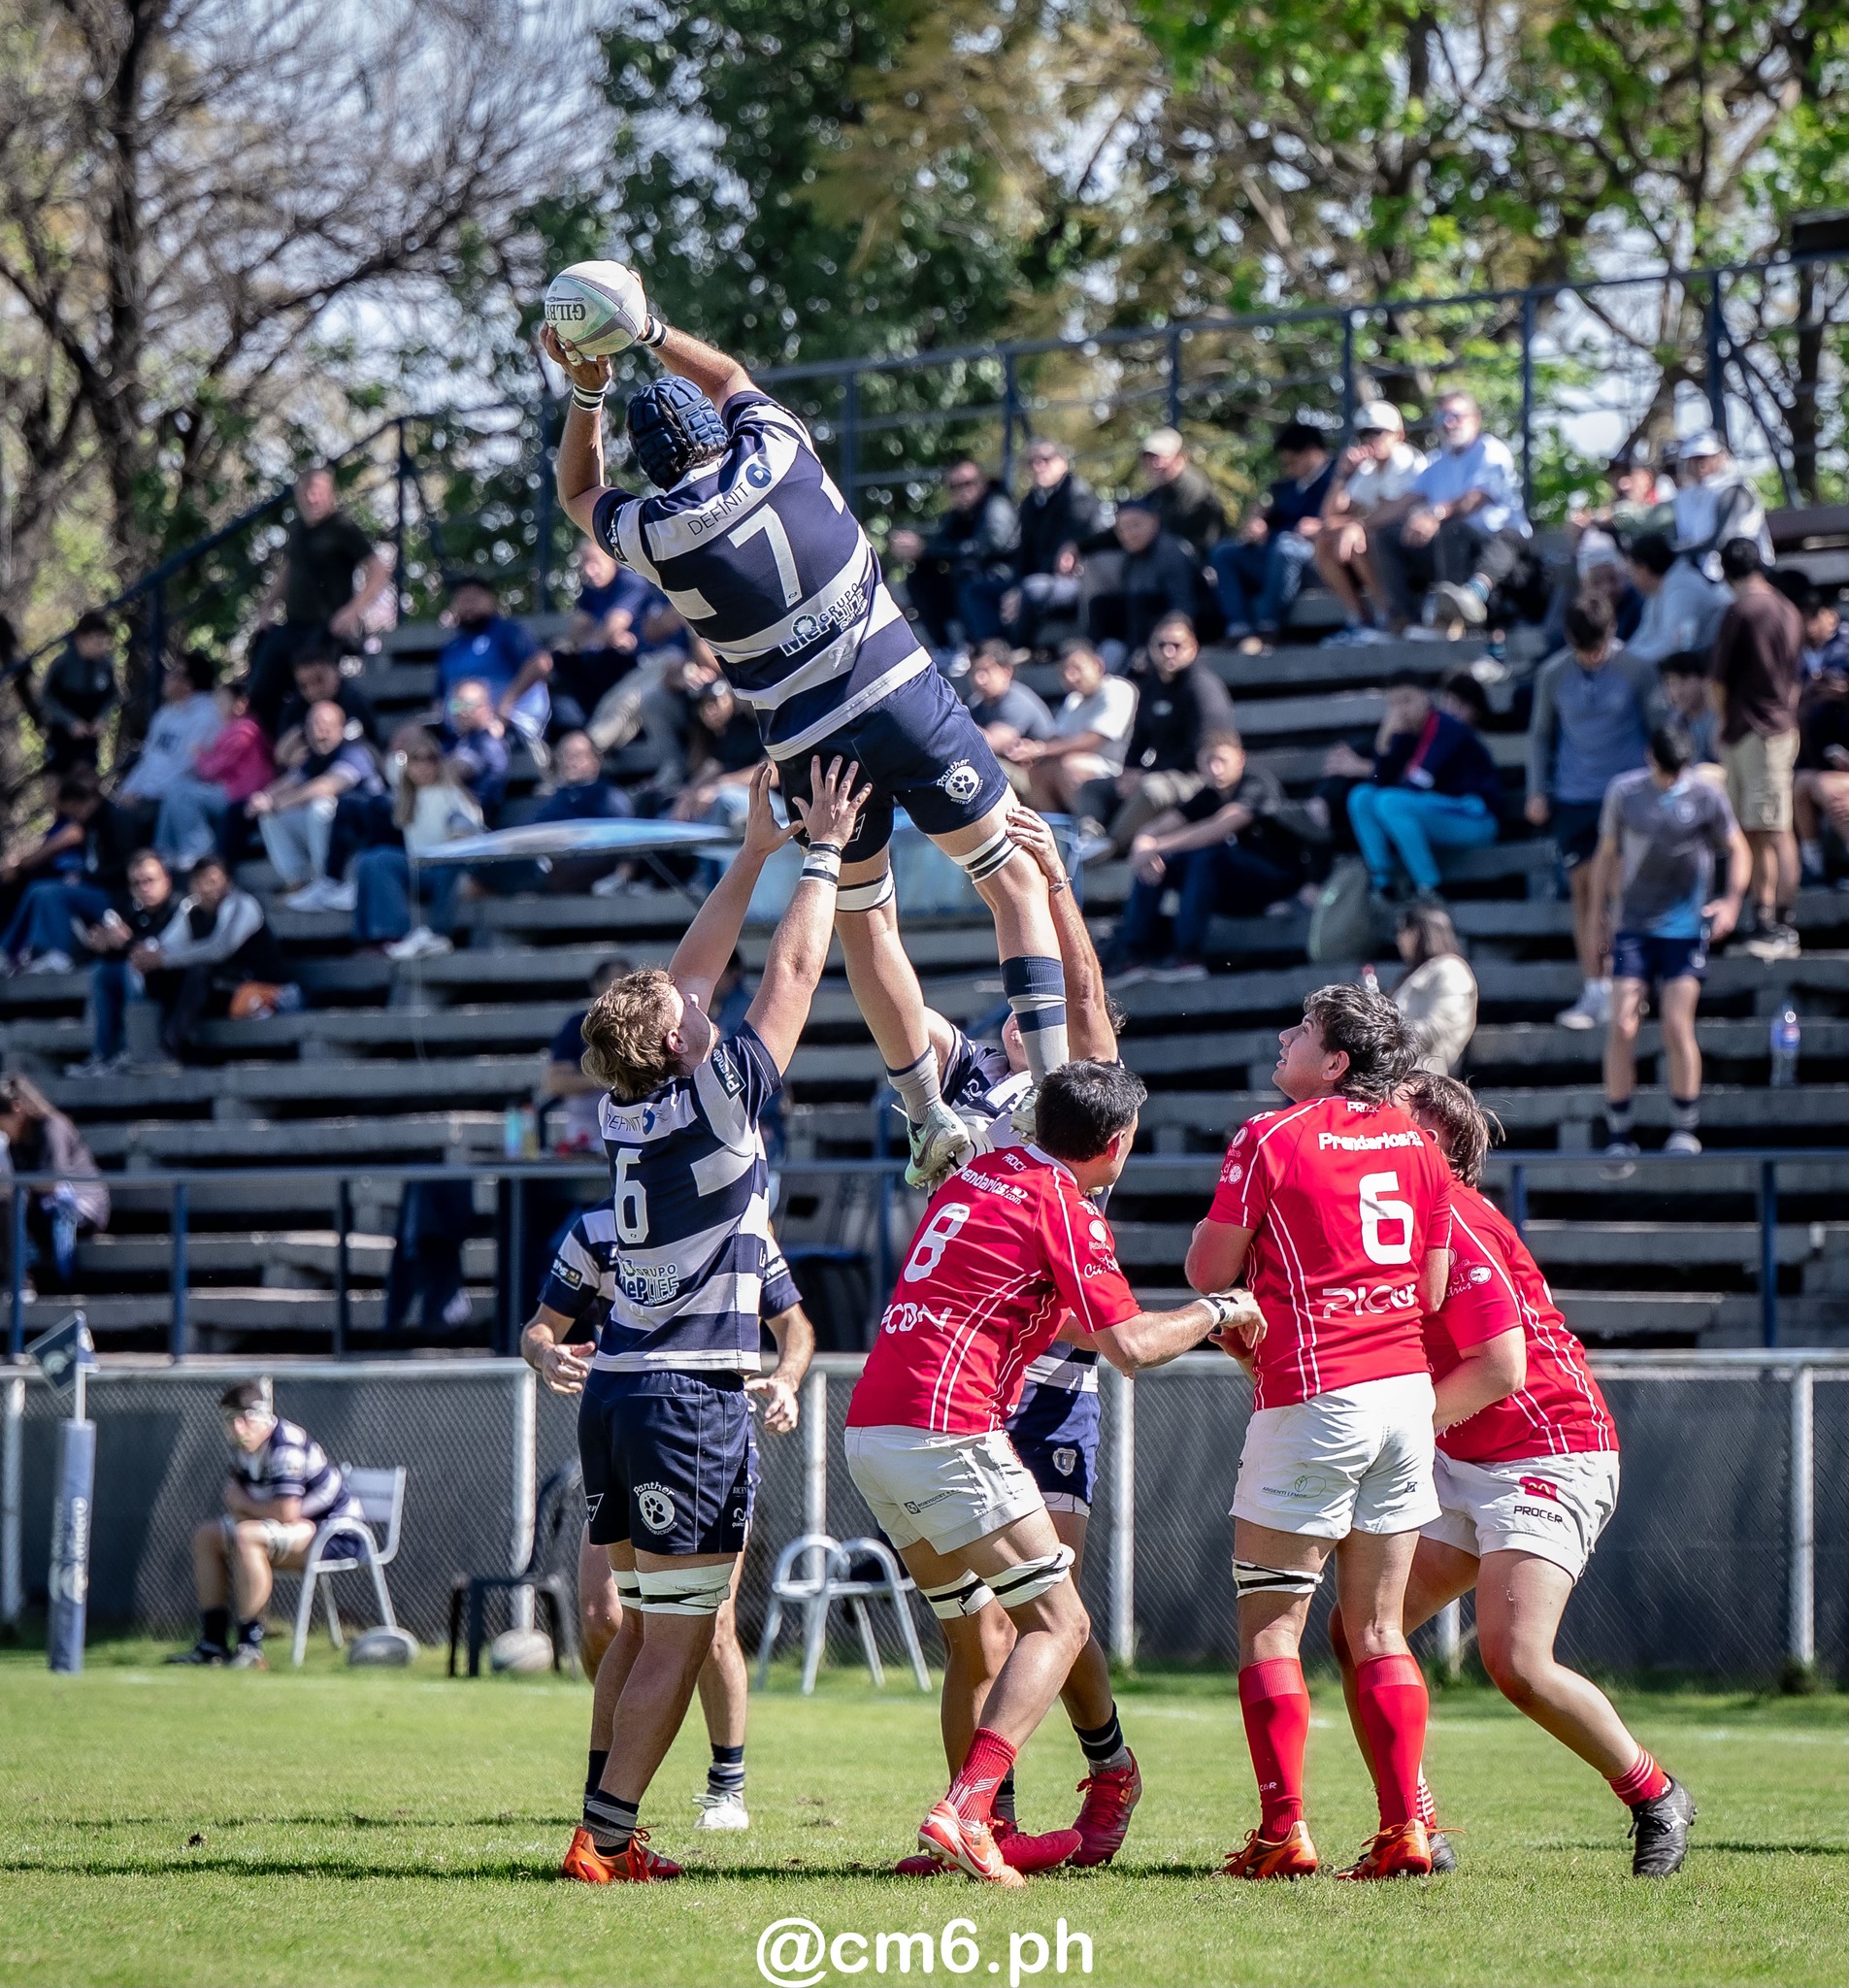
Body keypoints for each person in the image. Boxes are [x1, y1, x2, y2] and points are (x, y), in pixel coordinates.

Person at [545, 286, 1073, 1192]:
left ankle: (925, 1113)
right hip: (900, 695)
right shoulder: (779, 450)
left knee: (868, 923)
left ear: (655, 467)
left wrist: (587, 388)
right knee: (1012, 877)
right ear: (714, 431)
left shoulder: (657, 532)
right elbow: (732, 376)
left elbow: (578, 491)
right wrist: (650, 329)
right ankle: (1056, 1087)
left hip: (809, 745)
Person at [553, 755, 866, 1882]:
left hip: (620, 1391)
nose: (702, 998)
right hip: (687, 1398)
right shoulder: (720, 1098)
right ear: (682, 1041)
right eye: (690, 1010)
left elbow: (691, 974)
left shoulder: (627, 1105)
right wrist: (820, 852)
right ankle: (608, 1838)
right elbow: (793, 969)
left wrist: (749, 852)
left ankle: (600, 1825)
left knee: (643, 1626)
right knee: (679, 1638)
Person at [847, 1057, 1258, 1883]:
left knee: (975, 1633)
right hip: (946, 1428)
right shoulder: (1062, 1207)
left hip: (871, 1430)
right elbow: (1130, 1349)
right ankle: (966, 1812)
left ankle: (982, 1831)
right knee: (1060, 1625)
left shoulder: (988, 1170)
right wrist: (1219, 1308)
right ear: (1118, 1143)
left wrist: (1174, 1325)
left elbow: (1060, 1316)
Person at [1328, 1073, 1697, 1877]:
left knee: (1516, 1662)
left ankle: (1656, 1795)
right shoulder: (1392, 1217)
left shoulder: (1452, 1213)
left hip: (1548, 1448)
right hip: (1461, 1450)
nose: (1369, 1131)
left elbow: (1500, 1367)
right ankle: (1412, 1828)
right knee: (1359, 1630)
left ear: (1435, 1146)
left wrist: (1390, 1436)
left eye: (1392, 1120)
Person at [876, 811, 1145, 1874]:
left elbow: (1085, 996)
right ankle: (981, 1818)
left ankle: (1103, 1767)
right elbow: (891, 993)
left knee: (1050, 1611)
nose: (1051, 1023)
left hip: (1052, 1386)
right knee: (976, 1631)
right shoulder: (965, 1077)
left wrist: (1051, 882)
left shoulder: (1083, 1098)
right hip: (957, 1384)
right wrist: (864, 880)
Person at [1185, 984, 1451, 1882]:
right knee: (1377, 1629)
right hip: (1404, 1396)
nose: (1282, 1036)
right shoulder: (1419, 1145)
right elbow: (1429, 1291)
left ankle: (1281, 1832)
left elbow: (1207, 1271)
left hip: (1313, 1394)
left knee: (1272, 1628)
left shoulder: (1269, 1136)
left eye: (1300, 1030)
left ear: (1334, 1062)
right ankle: (1404, 1829)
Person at [523, 1223, 814, 1834]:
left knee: (710, 1623)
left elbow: (795, 1326)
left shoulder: (736, 1225)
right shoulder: (597, 1231)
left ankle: (724, 1786)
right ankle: (607, 1808)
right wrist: (547, 1353)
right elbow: (539, 1328)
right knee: (611, 1619)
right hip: (630, 1417)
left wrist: (787, 1380)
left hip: (698, 1425)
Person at [1591, 726, 1748, 1160]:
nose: (1672, 779)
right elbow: (1606, 854)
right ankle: (1619, 1129)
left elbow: (1738, 847)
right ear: (1650, 758)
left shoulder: (1706, 794)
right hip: (1633, 925)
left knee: (1678, 1024)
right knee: (1622, 1025)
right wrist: (1598, 916)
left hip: (1684, 927)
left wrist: (1732, 901)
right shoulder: (1625, 792)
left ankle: (1684, 1124)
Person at [1526, 596, 1664, 1032]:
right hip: (1575, 799)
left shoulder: (1638, 670)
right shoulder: (1553, 674)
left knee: (1623, 893)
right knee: (1585, 894)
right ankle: (1594, 989)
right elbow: (1540, 735)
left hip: (1628, 796)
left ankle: (1628, 987)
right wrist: (1537, 789)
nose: (1593, 656)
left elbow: (1661, 731)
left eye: (1599, 646)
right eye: (1584, 648)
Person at [166, 1377, 367, 1669]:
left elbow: (285, 1511)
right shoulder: (244, 1447)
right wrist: (242, 1507)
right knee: (207, 1537)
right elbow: (244, 1507)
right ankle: (212, 1644)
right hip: (298, 1528)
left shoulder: (285, 1446)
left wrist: (242, 1503)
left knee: (247, 1537)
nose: (238, 1428)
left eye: (245, 1419)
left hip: (336, 1534)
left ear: (262, 1418)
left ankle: (250, 1647)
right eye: (230, 1420)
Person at [1110, 730, 1313, 984]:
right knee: (1157, 864)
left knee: (1205, 854)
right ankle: (1133, 951)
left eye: (1222, 760)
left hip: (1275, 881)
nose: (1215, 769)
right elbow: (1157, 828)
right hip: (1231, 886)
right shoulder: (1207, 796)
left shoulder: (1256, 784)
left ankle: (1187, 954)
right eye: (1208, 761)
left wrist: (1157, 845)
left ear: (1240, 759)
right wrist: (1144, 846)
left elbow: (1220, 827)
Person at [1368, 392, 1532, 634]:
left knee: (1452, 528)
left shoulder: (1491, 451)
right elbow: (1402, 504)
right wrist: (1358, 525)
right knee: (1388, 536)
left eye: (1455, 416)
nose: (1448, 423)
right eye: (1442, 417)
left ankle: (1450, 620)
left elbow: (1474, 500)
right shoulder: (1435, 462)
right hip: (1451, 549)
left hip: (1495, 544)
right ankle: (1405, 621)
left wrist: (1435, 514)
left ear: (1475, 419)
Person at [1710, 538, 1804, 962]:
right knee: (1762, 828)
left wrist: (1720, 720)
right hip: (1780, 727)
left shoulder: (1741, 610)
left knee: (1770, 830)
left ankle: (1778, 924)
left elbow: (1717, 682)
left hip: (1753, 731)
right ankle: (1765, 920)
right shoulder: (1788, 609)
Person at [248, 467, 389, 733]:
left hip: (327, 628)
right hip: (293, 624)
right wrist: (266, 607)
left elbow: (379, 570)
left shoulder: (343, 527)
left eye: (318, 492)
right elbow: (286, 570)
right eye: (306, 492)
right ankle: (271, 747)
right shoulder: (297, 527)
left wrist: (352, 612)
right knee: (260, 687)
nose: (312, 498)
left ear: (330, 493)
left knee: (313, 688)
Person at [1340, 674, 1502, 902]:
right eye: (1394, 704)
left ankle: (1430, 889)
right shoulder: (1405, 735)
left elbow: (1418, 782)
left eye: (1407, 700)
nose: (1401, 710)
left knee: (1390, 802)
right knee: (1361, 797)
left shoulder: (1445, 726)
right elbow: (1378, 781)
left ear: (1425, 697)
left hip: (1474, 818)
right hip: (1433, 814)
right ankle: (1383, 886)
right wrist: (1383, 742)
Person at [133, 855, 295, 1061]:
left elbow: (219, 949)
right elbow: (165, 945)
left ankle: (170, 1046)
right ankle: (172, 1050)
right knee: (158, 976)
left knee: (198, 971)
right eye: (200, 881)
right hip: (225, 989)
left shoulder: (243, 904)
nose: (207, 888)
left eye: (213, 881)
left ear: (227, 882)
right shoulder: (191, 910)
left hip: (265, 988)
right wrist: (145, 954)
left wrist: (163, 959)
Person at [1106, 614, 1237, 850]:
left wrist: (1146, 775)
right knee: (1093, 787)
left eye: (1176, 645)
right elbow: (1139, 738)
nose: (1168, 652)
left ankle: (1109, 846)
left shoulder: (1202, 687)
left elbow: (1204, 749)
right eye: (1161, 645)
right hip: (1158, 772)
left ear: (1193, 647)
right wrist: (1129, 771)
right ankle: (1088, 836)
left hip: (1194, 777)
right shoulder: (1151, 685)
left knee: (1152, 790)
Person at [350, 727, 482, 959]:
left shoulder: (452, 794)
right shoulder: (406, 796)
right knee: (372, 860)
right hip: (419, 867)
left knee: (441, 865)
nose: (423, 766)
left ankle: (408, 935)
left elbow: (466, 827)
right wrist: (363, 738)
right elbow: (388, 762)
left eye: (430, 759)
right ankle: (377, 938)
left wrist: (457, 834)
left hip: (446, 870)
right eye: (416, 760)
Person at [1209, 422, 1335, 650]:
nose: (1287, 469)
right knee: (1224, 553)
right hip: (1278, 556)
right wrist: (1257, 526)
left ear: (1311, 452)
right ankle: (1239, 628)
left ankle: (1268, 626)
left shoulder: (1339, 477)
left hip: (1319, 560)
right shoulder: (1286, 486)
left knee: (1287, 547)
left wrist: (1325, 526)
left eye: (1291, 462)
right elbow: (1274, 522)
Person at [247, 700, 383, 909]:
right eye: (314, 725)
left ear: (341, 727)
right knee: (270, 814)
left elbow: (326, 786)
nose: (320, 732)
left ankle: (327, 881)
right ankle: (299, 881)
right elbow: (290, 781)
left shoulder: (355, 751)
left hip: (367, 838)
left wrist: (277, 803)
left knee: (320, 806)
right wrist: (263, 799)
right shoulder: (315, 757)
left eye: (326, 725)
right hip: (339, 837)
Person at [1314, 403, 1427, 644]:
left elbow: (1394, 512)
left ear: (1399, 435)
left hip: (1414, 545)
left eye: (1378, 432)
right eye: (1365, 434)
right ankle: (1360, 619)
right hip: (1385, 541)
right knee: (1324, 541)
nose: (1371, 440)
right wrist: (1343, 474)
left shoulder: (1407, 461)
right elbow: (1329, 516)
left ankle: (1390, 615)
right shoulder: (1368, 469)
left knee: (1359, 538)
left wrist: (1355, 526)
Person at [888, 459, 1022, 655]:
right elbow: (939, 547)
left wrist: (926, 549)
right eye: (954, 486)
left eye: (968, 483)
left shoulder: (997, 506)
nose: (962, 491)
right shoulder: (956, 516)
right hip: (972, 579)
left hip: (1004, 577)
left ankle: (987, 650)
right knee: (920, 578)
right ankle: (945, 648)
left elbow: (989, 547)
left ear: (983, 483)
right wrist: (915, 550)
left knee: (970, 580)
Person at [67, 848, 176, 1075]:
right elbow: (124, 946)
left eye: (149, 880)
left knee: (130, 969)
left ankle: (133, 1049)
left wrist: (126, 942)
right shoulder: (134, 912)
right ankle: (103, 1054)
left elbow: (162, 947)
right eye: (136, 883)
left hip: (175, 986)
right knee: (102, 971)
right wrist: (103, 944)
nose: (144, 888)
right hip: (146, 980)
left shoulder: (180, 908)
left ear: (166, 880)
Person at [0, 1076, 109, 1297]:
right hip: (43, 1208)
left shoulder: (52, 1126)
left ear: (17, 1109)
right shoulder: (16, 1143)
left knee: (8, 1201)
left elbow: (52, 1181)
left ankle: (20, 1283)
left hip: (79, 1206)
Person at [1006, 643, 1136, 825]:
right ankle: (1055, 831)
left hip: (1116, 771)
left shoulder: (1117, 689)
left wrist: (1040, 749)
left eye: (1076, 669)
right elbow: (1058, 738)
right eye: (1063, 672)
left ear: (1097, 665)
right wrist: (1030, 751)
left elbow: (1093, 740)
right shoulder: (1074, 699)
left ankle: (1090, 826)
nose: (1070, 676)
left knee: (1071, 766)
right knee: (1038, 771)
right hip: (1081, 764)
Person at [153, 677, 275, 870]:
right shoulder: (231, 729)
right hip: (228, 789)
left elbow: (214, 769)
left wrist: (199, 754)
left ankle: (199, 852)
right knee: (175, 789)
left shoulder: (245, 731)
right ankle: (163, 851)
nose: (218, 707)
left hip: (241, 794)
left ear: (240, 704)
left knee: (183, 794)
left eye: (223, 702)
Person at [435, 576, 552, 746]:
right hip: (457, 731)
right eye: (462, 600)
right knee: (411, 734)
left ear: (490, 600)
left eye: (473, 599)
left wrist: (506, 703)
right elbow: (440, 699)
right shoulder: (451, 647)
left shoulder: (508, 632)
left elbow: (542, 663)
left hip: (506, 727)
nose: (468, 605)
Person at [115, 652, 224, 835]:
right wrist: (127, 791)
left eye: (174, 673)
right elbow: (147, 760)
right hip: (144, 796)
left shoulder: (209, 717)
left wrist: (144, 794)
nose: (166, 677)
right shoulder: (164, 715)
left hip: (171, 799)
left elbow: (190, 768)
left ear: (188, 684)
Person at [1006, 441, 1103, 646]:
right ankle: (984, 649)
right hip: (1041, 576)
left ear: (1063, 462)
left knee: (1031, 589)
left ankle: (1017, 649)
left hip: (1077, 579)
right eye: (1031, 462)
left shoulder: (1077, 496)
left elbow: (1065, 557)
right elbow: (1024, 552)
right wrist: (1015, 586)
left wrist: (1022, 588)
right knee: (977, 589)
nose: (1038, 466)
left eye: (1046, 459)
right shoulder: (1031, 502)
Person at [1083, 503, 1203, 667]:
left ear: (1154, 521)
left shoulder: (1170, 553)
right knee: (1101, 605)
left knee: (1142, 605)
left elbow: (1183, 607)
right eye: (1123, 529)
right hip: (1140, 627)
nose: (1130, 533)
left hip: (1183, 624)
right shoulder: (1132, 558)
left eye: (1136, 525)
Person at [1390, 902, 1477, 1076]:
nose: (1398, 939)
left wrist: (1387, 1035)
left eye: (1403, 931)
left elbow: (1440, 1027)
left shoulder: (1450, 969)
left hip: (1426, 1069)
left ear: (1418, 933)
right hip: (1402, 1062)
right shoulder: (1420, 971)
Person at [1624, 531, 1732, 665]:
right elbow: (1645, 635)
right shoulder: (1659, 590)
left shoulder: (1682, 589)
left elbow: (1677, 645)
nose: (1631, 579)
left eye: (1632, 571)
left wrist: (1630, 663)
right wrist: (1622, 658)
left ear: (1644, 569)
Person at [35, 612, 118, 772]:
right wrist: (69, 721)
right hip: (62, 732)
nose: (101, 647)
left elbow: (112, 695)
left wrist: (102, 717)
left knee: (87, 775)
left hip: (90, 732)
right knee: (59, 776)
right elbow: (47, 697)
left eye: (104, 641)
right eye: (96, 641)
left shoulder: (106, 665)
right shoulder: (62, 664)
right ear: (81, 639)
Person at [271, 649, 382, 763]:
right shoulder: (295, 710)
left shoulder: (353, 702)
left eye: (319, 680)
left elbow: (367, 745)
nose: (312, 691)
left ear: (335, 671)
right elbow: (281, 754)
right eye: (304, 686)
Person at [967, 642, 1054, 781]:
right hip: (1014, 774)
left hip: (1038, 777)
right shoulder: (977, 704)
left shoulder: (1017, 701)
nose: (979, 679)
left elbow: (993, 743)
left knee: (979, 767)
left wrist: (955, 719)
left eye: (986, 671)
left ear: (1006, 672)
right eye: (974, 672)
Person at [1136, 427, 1225, 560]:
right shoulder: (1159, 491)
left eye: (1160, 457)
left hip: (1197, 559)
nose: (1154, 464)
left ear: (1180, 457)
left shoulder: (1193, 487)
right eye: (1149, 457)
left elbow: (1179, 532)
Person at [440, 679, 513, 817]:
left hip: (475, 819)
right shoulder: (454, 742)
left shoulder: (489, 744)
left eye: (468, 705)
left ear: (486, 708)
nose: (461, 712)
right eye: (456, 705)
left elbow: (456, 770)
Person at [1659, 651, 1723, 767]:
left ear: (1704, 679)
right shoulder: (1675, 723)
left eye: (1684, 680)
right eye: (1671, 683)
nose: (1678, 691)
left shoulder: (1720, 715)